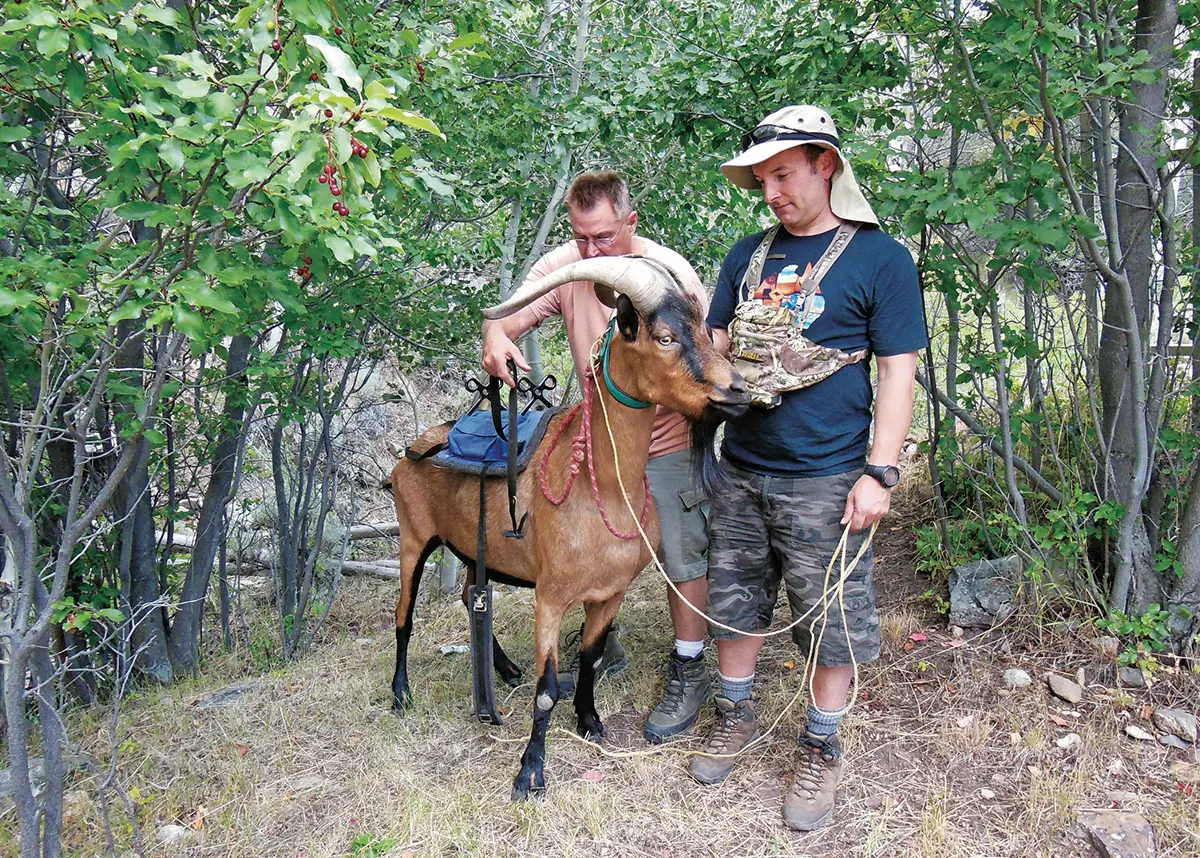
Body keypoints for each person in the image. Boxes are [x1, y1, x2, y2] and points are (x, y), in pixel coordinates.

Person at [691, 106, 927, 831]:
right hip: (742, 468)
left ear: (826, 165)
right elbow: (715, 346)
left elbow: (897, 370)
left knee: (832, 621)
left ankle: (821, 747)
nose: (771, 192)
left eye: (784, 175)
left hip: (826, 477)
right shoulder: (747, 256)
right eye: (763, 179)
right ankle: (734, 715)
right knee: (733, 604)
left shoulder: (880, 260)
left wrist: (879, 472)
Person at [481, 171, 715, 743]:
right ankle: (600, 642)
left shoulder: (670, 274)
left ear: (630, 223)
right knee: (582, 545)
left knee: (679, 551)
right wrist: (496, 337)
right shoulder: (570, 267)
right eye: (582, 236)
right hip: (594, 439)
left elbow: (702, 351)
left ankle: (688, 666)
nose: (592, 249)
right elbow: (507, 313)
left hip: (662, 441)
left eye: (605, 237)